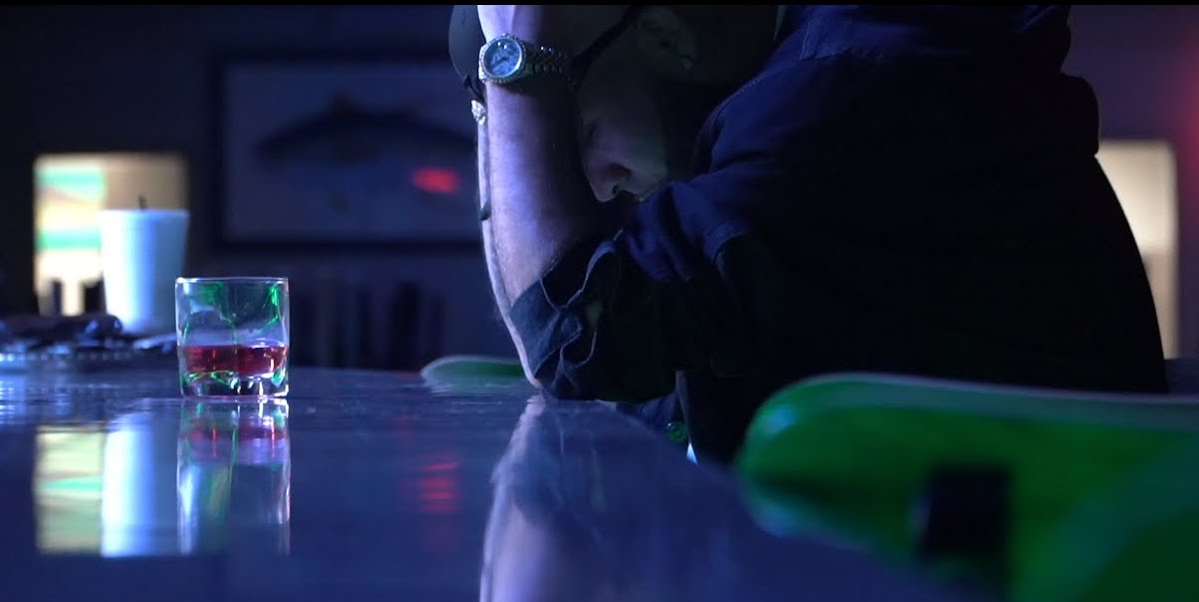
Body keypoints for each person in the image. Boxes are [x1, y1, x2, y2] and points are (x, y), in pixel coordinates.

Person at [449, 5, 1166, 464]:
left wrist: (522, 61)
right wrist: (503, 90)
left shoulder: (833, 96)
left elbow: (574, 337)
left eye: (579, 136)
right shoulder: (820, 82)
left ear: (668, 35)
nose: (599, 187)